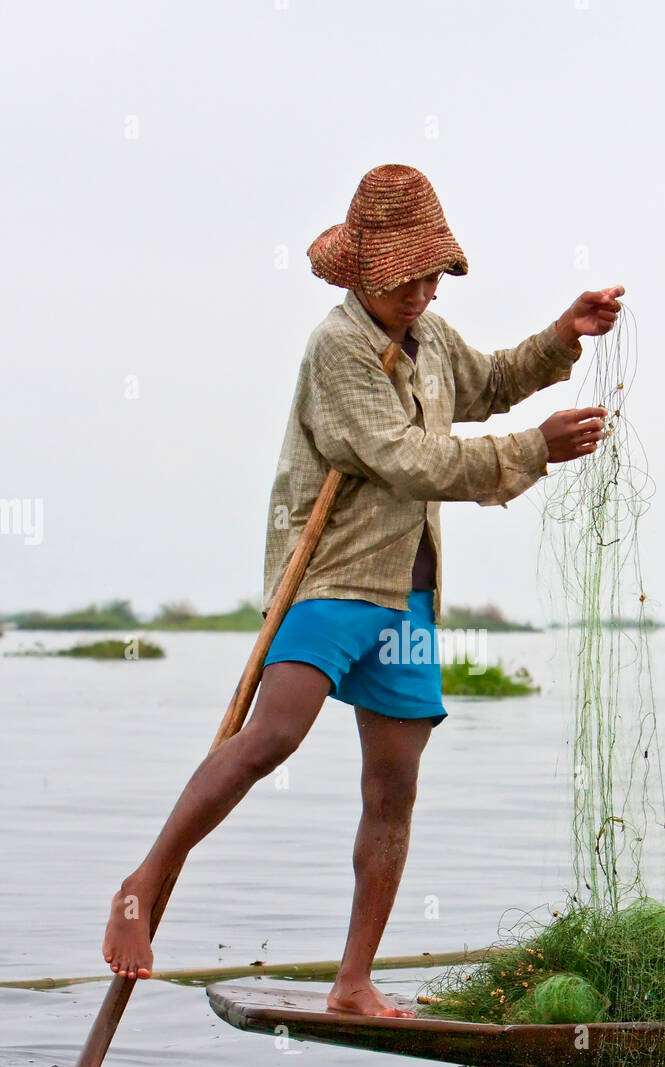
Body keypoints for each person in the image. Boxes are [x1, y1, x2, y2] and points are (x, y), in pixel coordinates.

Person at [102, 163, 623, 1016]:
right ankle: (141, 882)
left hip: (409, 592)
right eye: (403, 279)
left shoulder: (432, 337)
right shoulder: (338, 345)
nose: (420, 292)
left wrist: (563, 335)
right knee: (273, 736)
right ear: (363, 276)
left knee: (394, 787)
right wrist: (533, 450)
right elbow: (402, 458)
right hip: (331, 577)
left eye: (430, 276)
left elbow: (488, 381)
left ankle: (353, 983)